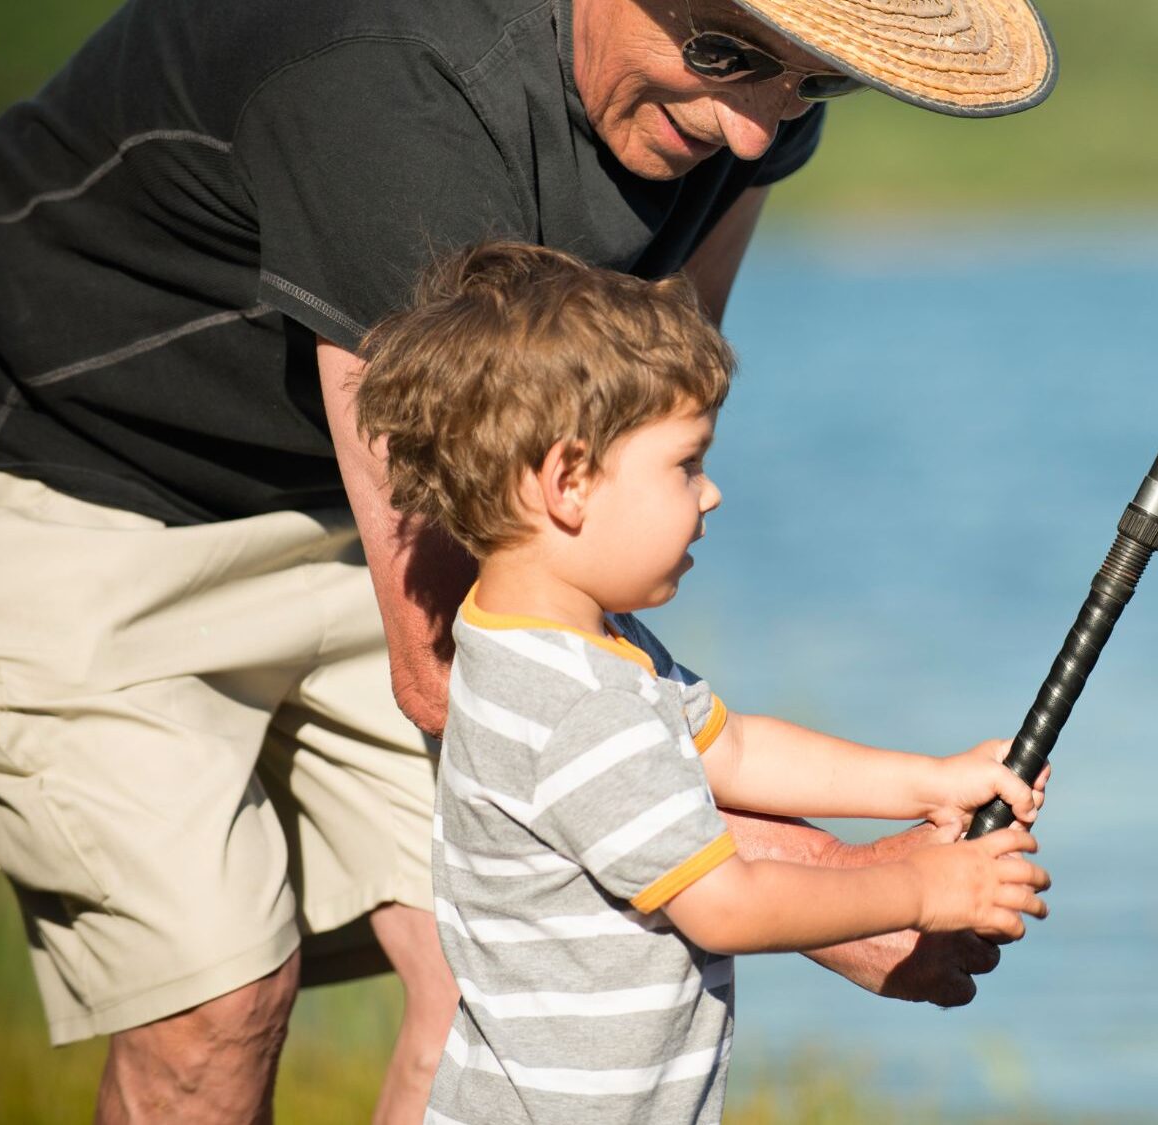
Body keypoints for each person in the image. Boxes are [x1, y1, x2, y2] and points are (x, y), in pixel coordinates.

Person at [0, 0, 1056, 1119]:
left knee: (493, 958)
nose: (751, 137)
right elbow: (472, 685)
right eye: (726, 54)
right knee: (212, 1002)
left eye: (810, 84)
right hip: (68, 473)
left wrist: (914, 796)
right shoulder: (391, 78)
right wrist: (873, 893)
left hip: (356, 502)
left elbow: (655, 414)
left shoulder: (756, 107)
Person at [355, 240, 1051, 1123]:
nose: (711, 493)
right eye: (685, 464)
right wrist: (928, 889)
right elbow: (727, 904)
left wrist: (931, 779)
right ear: (567, 480)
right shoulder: (578, 709)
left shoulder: (551, 641)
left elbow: (737, 746)